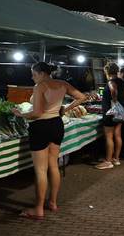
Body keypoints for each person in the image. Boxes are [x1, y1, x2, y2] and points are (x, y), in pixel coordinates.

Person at [12, 62, 86, 219]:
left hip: (41, 127)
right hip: (56, 125)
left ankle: (38, 209)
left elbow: (37, 113)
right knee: (53, 164)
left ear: (40, 73)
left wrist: (20, 114)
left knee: (40, 170)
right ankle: (52, 202)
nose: (32, 78)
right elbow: (82, 97)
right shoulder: (62, 83)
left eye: (33, 74)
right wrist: (64, 109)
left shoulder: (40, 86)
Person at [95, 63, 124, 170]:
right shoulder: (122, 82)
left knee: (109, 137)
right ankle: (116, 159)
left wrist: (114, 102)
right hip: (120, 113)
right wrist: (120, 102)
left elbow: (113, 90)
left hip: (111, 113)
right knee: (117, 135)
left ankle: (108, 161)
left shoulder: (111, 81)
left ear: (107, 72)